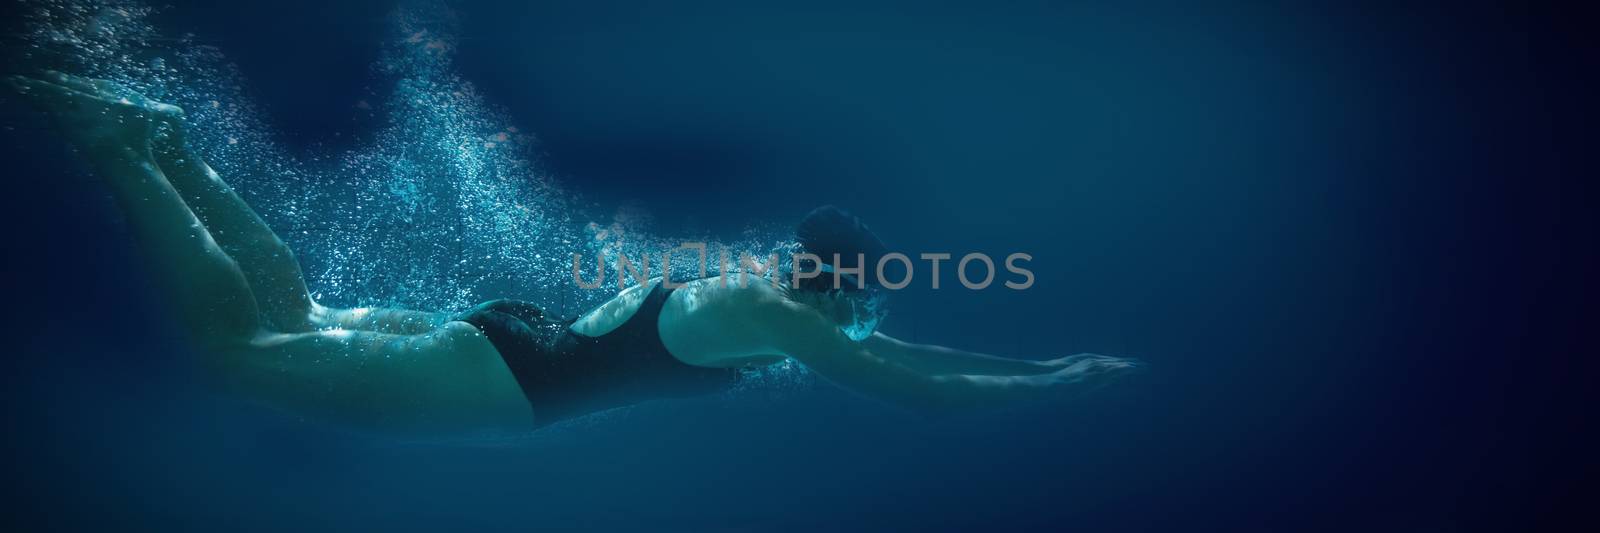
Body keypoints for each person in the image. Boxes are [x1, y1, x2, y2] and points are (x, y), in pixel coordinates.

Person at [8, 72, 1139, 433]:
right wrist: (1054, 382)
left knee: (289, 314)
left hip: (505, 343)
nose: (860, 328)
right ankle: (125, 149)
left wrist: (1039, 366)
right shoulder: (787, 318)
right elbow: (908, 376)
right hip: (506, 376)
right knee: (241, 347)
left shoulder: (743, 287)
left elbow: (911, 347)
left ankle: (173, 147)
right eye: (862, 309)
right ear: (836, 296)